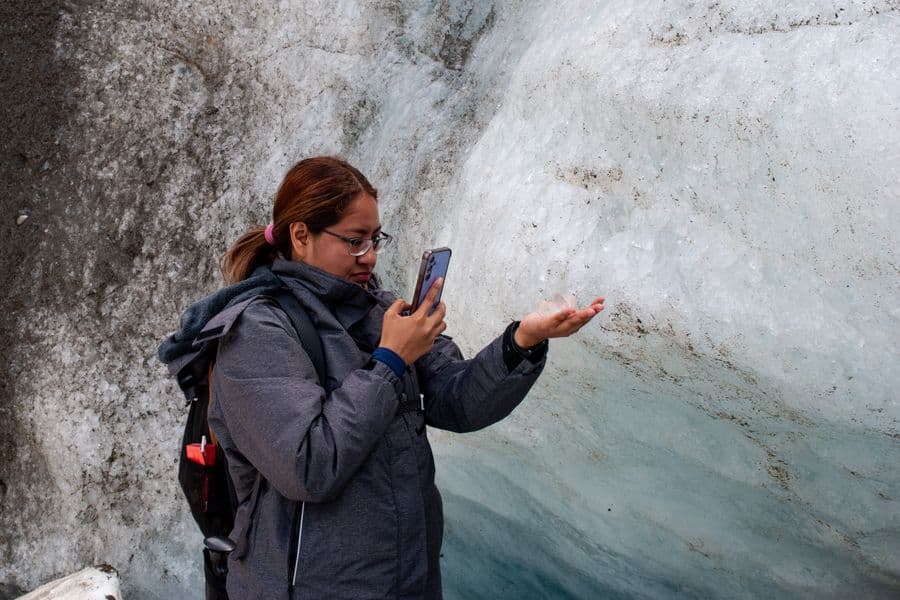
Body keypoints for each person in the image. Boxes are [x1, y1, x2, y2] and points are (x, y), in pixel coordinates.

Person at [160, 156, 605, 599]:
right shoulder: (256, 331)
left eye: (375, 239)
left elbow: (459, 401)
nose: (369, 256)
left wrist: (523, 340)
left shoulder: (378, 310)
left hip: (407, 581)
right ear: (301, 235)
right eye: (354, 241)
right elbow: (308, 466)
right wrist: (390, 360)